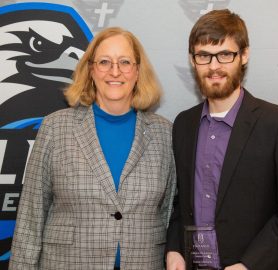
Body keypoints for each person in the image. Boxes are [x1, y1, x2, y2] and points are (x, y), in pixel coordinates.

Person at [9, 27, 176, 270]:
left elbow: (169, 210)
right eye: (105, 62)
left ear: (138, 71)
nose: (115, 71)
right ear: (91, 70)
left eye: (125, 62)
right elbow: (30, 218)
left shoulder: (164, 133)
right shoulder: (56, 127)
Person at [165, 9, 278, 270]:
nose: (213, 66)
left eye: (225, 54)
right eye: (204, 56)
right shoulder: (183, 125)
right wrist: (175, 248)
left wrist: (248, 265)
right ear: (192, 60)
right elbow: (179, 201)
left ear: (244, 55)